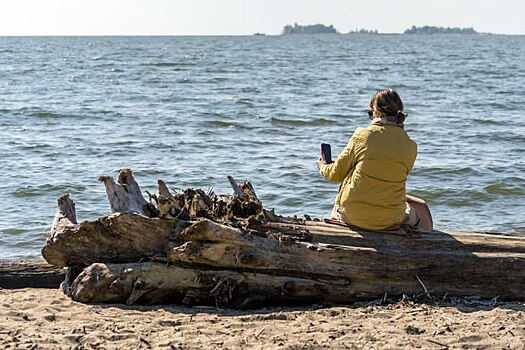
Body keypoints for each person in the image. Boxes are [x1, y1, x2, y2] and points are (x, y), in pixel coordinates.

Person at [316, 89, 426, 232]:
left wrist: (322, 166)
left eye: (370, 113)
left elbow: (335, 175)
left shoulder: (363, 135)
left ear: (378, 113)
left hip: (353, 215)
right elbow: (387, 170)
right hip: (390, 219)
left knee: (340, 203)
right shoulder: (410, 145)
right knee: (418, 210)